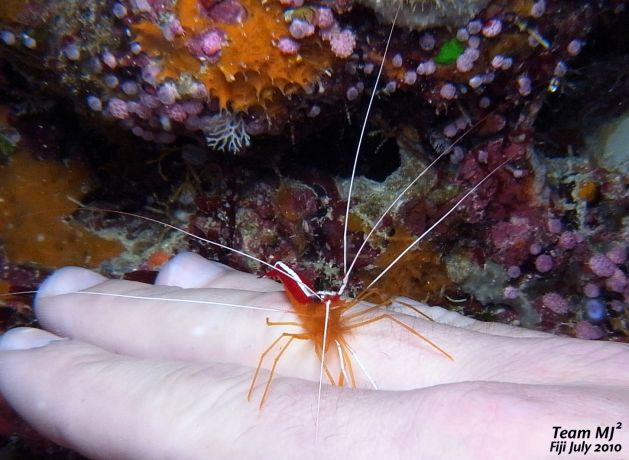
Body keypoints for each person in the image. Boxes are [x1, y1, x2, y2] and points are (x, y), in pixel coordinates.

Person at [0, 252, 627, 459]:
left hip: (318, 302)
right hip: (297, 300)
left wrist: (595, 440)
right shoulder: (293, 313)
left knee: (393, 320)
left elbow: (590, 441)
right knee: (280, 346)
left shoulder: (339, 314)